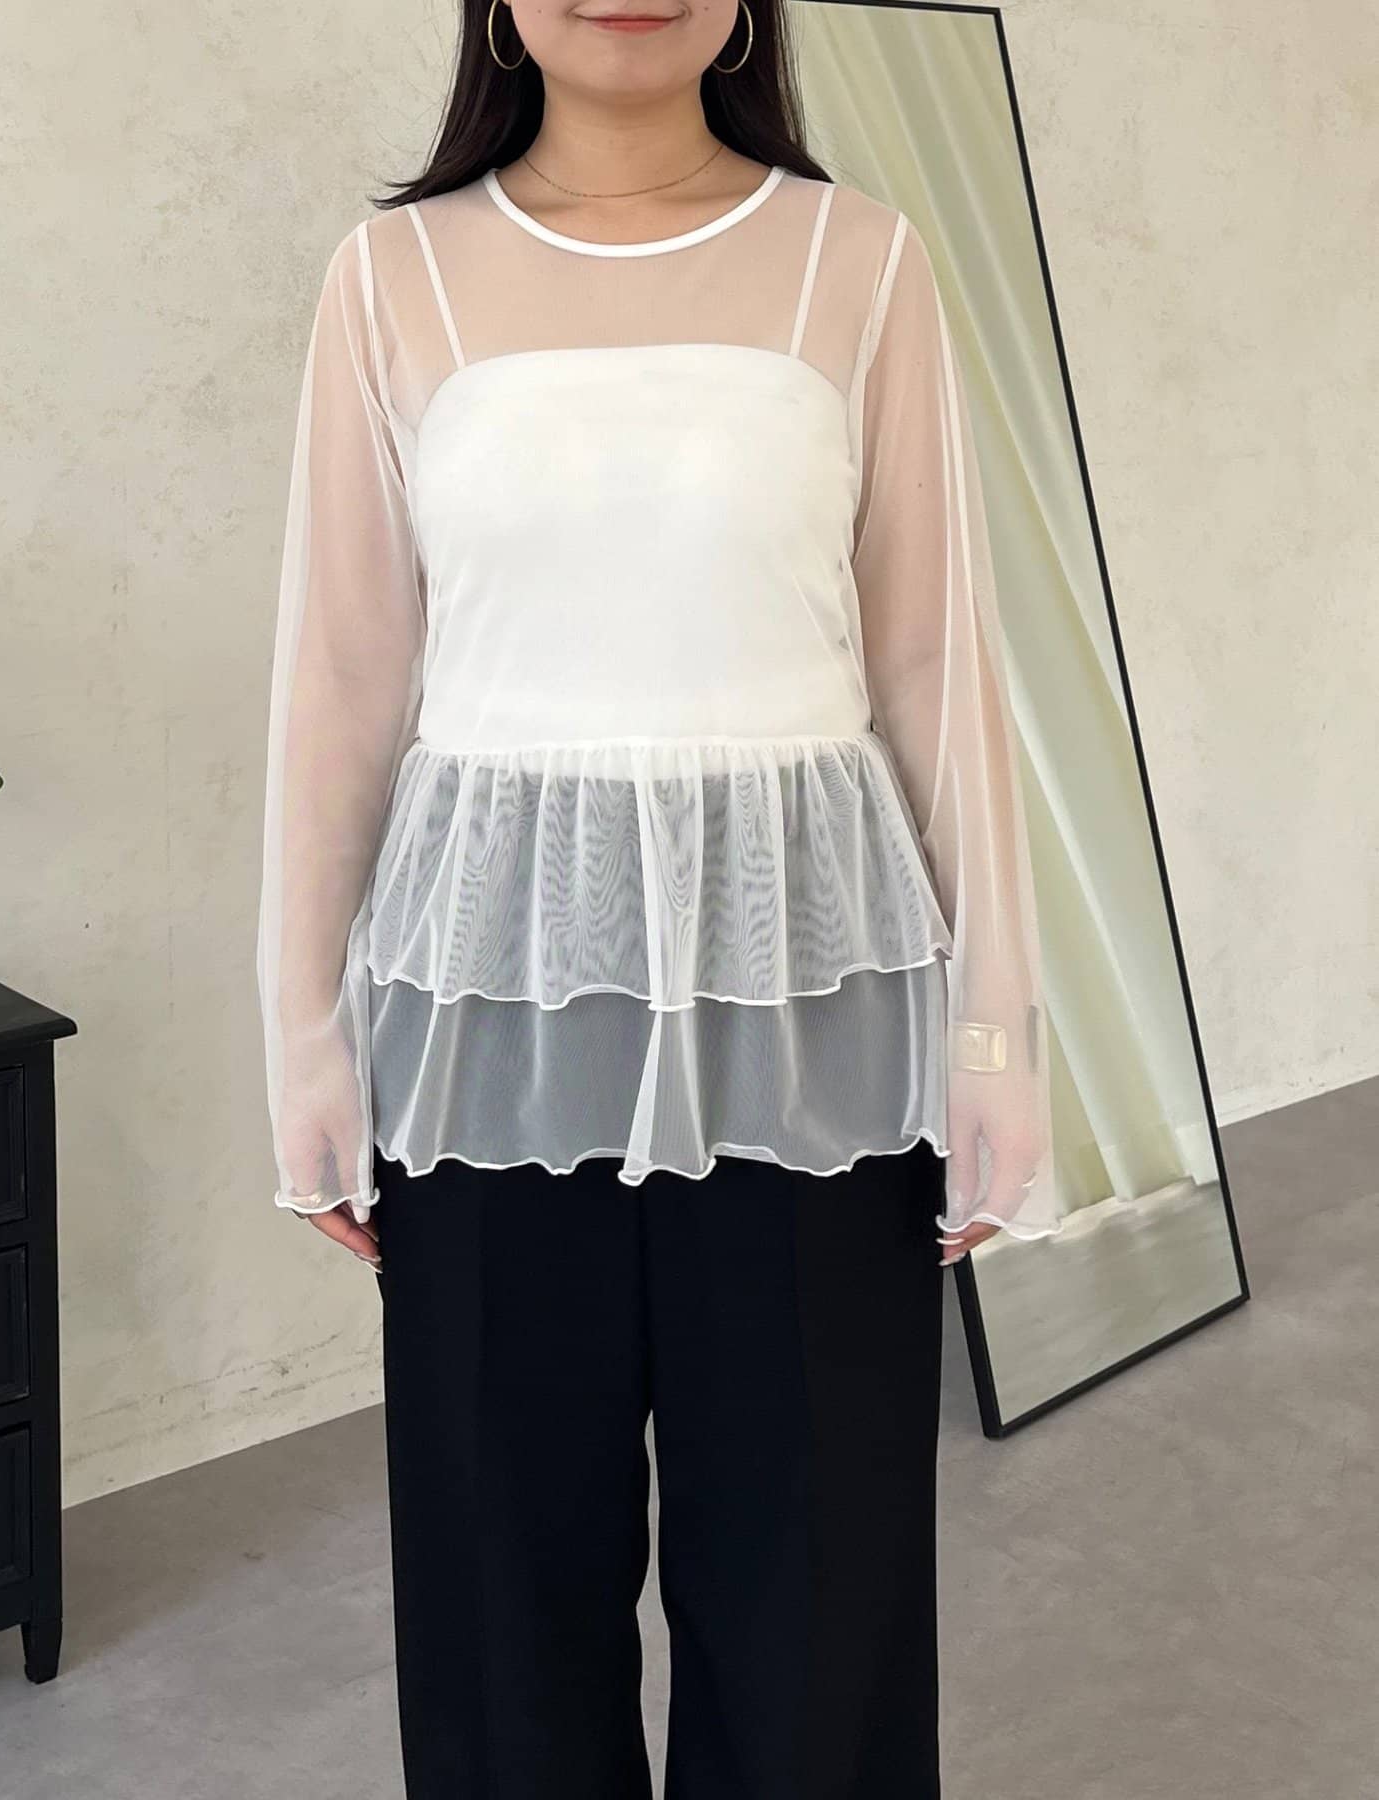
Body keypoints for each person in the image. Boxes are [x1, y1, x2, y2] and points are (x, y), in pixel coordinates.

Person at [256, 0, 1062, 1791]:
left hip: (810, 1022)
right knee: (497, 1602)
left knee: (819, 1595)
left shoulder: (860, 258)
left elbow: (933, 661)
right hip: (486, 1029)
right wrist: (305, 1033)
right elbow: (345, 683)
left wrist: (997, 1034)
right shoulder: (393, 276)